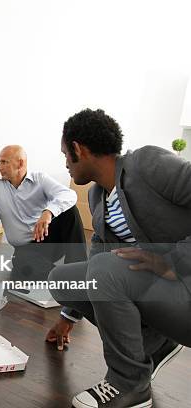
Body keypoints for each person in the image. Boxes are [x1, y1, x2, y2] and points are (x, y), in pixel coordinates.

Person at [46, 108, 191, 408]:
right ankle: (156, 346)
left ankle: (130, 384)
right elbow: (96, 269)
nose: (65, 164)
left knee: (104, 268)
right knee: (62, 280)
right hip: (161, 297)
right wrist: (68, 317)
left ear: (78, 149)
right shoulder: (98, 197)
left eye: (65, 154)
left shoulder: (148, 163)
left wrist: (174, 261)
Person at [0, 145, 87, 281]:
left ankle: (79, 269)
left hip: (50, 239)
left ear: (20, 163)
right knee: (23, 265)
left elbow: (69, 195)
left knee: (70, 210)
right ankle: (64, 277)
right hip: (26, 249)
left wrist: (48, 212)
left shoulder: (40, 179)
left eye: (4, 162)